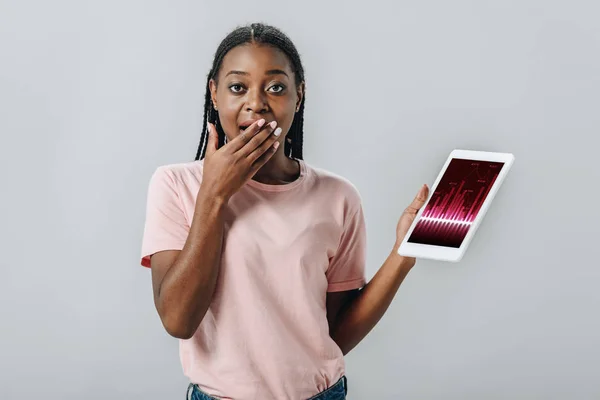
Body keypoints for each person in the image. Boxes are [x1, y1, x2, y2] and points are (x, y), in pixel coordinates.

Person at [140, 22, 429, 400]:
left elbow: (334, 334)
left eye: (276, 87)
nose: (256, 103)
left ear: (299, 95)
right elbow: (178, 320)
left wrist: (402, 256)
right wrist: (214, 195)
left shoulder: (338, 197)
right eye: (237, 87)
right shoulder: (176, 185)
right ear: (214, 92)